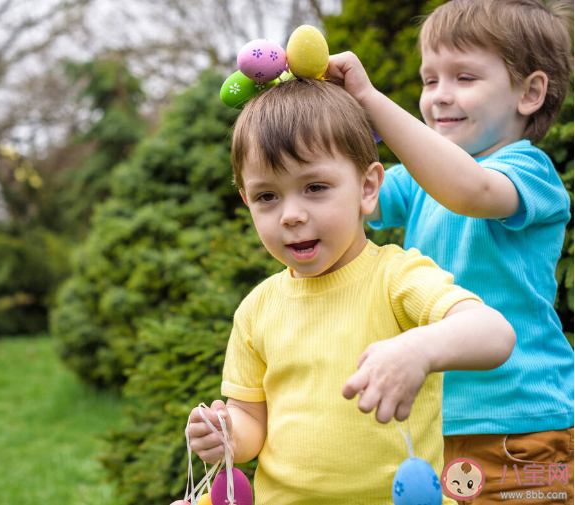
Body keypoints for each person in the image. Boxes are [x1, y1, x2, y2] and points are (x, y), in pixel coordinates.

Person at [186, 77, 515, 505]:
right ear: (247, 201)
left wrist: (420, 350)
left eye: (315, 187)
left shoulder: (396, 277)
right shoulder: (256, 309)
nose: (291, 215)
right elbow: (252, 420)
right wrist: (228, 434)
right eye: (267, 196)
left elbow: (496, 334)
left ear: (367, 188)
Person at [323, 0, 574, 503]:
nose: (439, 96)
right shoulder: (418, 182)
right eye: (429, 79)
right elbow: (351, 196)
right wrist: (317, 113)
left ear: (530, 92)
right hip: (437, 418)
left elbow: (471, 192)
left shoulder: (528, 171)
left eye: (463, 77)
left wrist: (372, 100)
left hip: (519, 424)